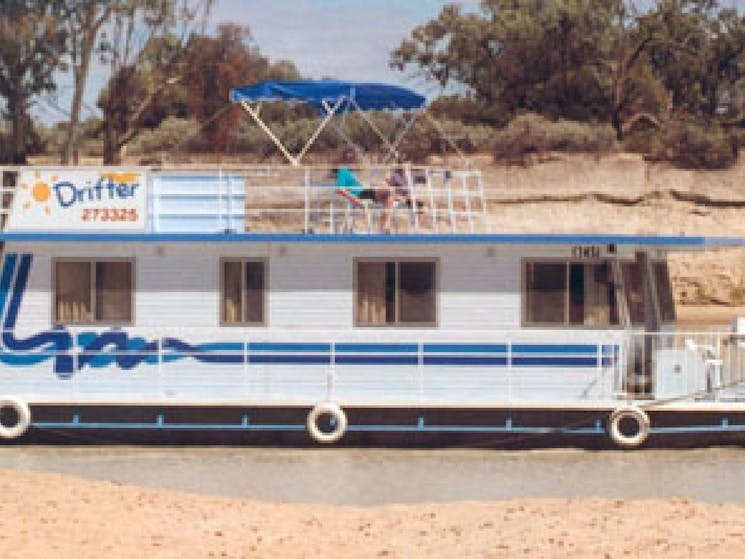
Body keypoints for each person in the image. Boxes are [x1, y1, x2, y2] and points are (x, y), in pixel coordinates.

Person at [334, 149, 394, 233]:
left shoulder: (350, 171)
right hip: (359, 195)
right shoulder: (343, 171)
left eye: (353, 159)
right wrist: (354, 199)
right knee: (387, 191)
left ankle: (384, 227)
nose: (352, 161)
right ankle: (384, 227)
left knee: (389, 197)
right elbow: (340, 189)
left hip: (363, 192)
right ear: (344, 159)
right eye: (349, 159)